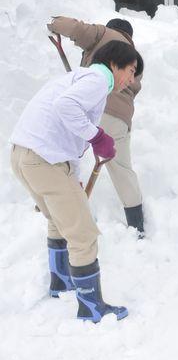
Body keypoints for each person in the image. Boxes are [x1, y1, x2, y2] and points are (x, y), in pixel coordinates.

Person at [10, 40, 143, 323]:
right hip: (42, 160)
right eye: (130, 71)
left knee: (59, 220)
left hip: (25, 156)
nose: (131, 79)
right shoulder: (97, 80)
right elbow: (65, 107)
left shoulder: (79, 78)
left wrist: (74, 177)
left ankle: (61, 282)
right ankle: (91, 307)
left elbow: (66, 135)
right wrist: (97, 136)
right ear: (114, 63)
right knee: (82, 233)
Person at [47, 15, 145, 237]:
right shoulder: (134, 61)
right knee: (122, 168)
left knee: (68, 156)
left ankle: (63, 210)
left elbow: (75, 28)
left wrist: (51, 23)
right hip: (119, 118)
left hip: (91, 108)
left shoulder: (104, 34)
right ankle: (137, 226)